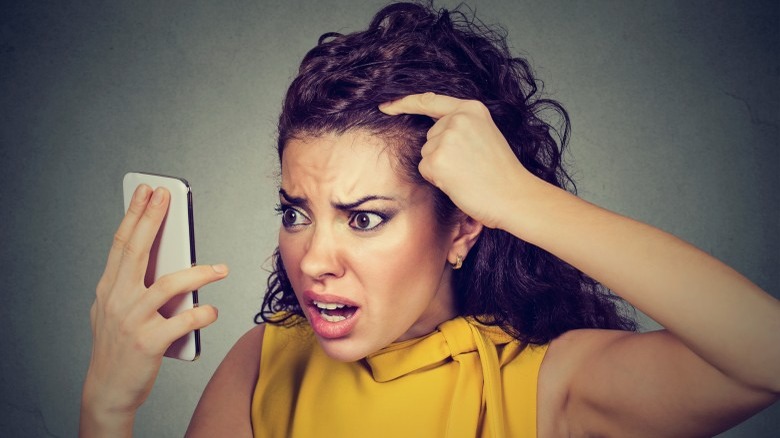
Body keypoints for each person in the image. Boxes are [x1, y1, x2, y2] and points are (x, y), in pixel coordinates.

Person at [80, 2, 779, 437]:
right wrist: (108, 408)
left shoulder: (544, 387)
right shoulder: (265, 362)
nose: (314, 257)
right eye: (297, 211)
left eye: (364, 219)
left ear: (463, 226)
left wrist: (523, 200)